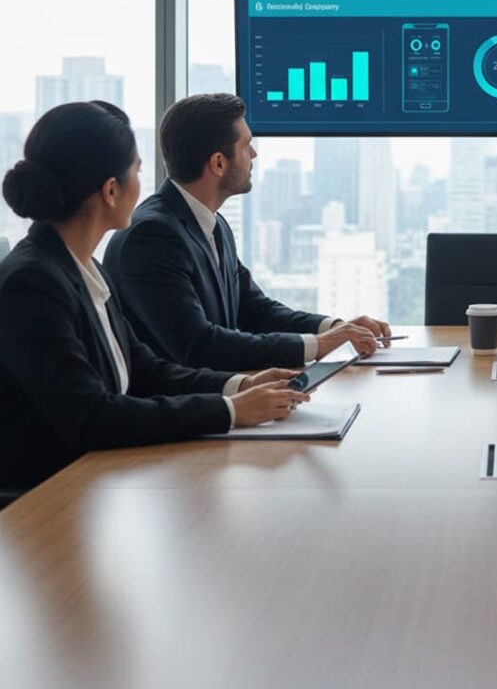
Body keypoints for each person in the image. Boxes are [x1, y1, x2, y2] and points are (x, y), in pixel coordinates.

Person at [0, 102, 311, 492]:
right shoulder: (32, 283)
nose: (143, 185)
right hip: (43, 503)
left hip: (96, 482)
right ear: (112, 190)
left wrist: (236, 387)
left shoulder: (81, 267)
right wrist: (229, 411)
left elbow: (145, 370)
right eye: (138, 171)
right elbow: (93, 416)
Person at [105, 94, 389, 372]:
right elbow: (199, 345)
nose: (254, 154)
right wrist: (317, 345)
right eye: (246, 145)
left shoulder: (213, 224)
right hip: (181, 410)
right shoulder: (152, 236)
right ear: (218, 163)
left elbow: (254, 309)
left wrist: (335, 328)